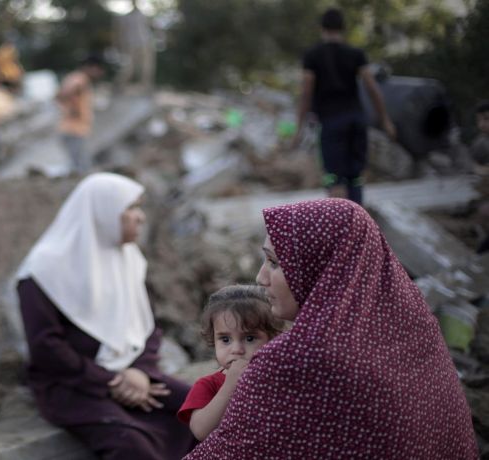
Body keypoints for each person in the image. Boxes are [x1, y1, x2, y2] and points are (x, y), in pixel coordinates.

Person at [184, 198, 477, 458]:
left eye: (274, 262)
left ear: (320, 267)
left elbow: (228, 451)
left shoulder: (301, 357)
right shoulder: (411, 325)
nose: (261, 278)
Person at [17, 173, 196, 459]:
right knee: (131, 445)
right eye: (131, 208)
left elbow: (147, 325)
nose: (141, 218)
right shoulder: (43, 271)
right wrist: (110, 381)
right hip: (75, 386)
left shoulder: (129, 259)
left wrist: (140, 371)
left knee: (201, 409)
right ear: (103, 213)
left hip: (135, 374)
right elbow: (45, 347)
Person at [293, 8, 396, 204]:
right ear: (343, 28)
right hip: (356, 120)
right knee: (355, 178)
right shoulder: (355, 54)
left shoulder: (312, 56)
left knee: (335, 179)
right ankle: (357, 220)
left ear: (321, 28)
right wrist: (385, 120)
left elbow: (306, 93)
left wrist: (298, 128)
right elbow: (372, 88)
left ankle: (340, 222)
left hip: (331, 123)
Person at [176, 285, 283, 441]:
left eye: (250, 338)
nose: (236, 350)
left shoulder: (279, 377)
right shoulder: (209, 385)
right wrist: (230, 386)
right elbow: (200, 431)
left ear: (273, 338)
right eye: (225, 339)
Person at [56, 56, 105, 175]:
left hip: (74, 129)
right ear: (91, 67)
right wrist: (74, 109)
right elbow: (64, 94)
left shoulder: (76, 78)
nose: (99, 73)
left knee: (78, 165)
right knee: (82, 167)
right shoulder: (80, 79)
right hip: (74, 129)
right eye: (98, 69)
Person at [113, 0, 155, 91]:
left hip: (144, 43)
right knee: (129, 66)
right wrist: (121, 45)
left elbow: (150, 28)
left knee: (146, 66)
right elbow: (121, 32)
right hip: (132, 44)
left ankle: (146, 86)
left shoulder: (143, 15)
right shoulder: (126, 17)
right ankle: (119, 85)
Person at [471, 100, 489, 166]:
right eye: (478, 120)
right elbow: (472, 167)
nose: (481, 125)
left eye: (486, 119)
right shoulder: (480, 143)